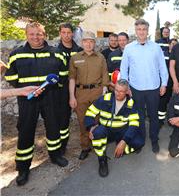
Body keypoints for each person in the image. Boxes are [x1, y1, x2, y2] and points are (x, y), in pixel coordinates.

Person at [4, 22, 69, 186]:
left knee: (54, 127)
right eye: (32, 34)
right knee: (26, 130)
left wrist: (52, 87)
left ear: (44, 34)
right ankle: (23, 167)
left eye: (39, 34)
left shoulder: (57, 53)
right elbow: (11, 78)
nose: (36, 37)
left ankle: (55, 155)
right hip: (28, 99)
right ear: (26, 35)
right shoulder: (16, 54)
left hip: (51, 97)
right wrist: (25, 89)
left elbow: (63, 76)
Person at [120, 19, 168, 153]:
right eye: (139, 29)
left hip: (153, 87)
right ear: (136, 31)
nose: (141, 32)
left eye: (144, 29)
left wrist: (164, 84)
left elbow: (162, 67)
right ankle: (139, 141)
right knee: (138, 116)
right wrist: (126, 87)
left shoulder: (156, 47)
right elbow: (124, 69)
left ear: (147, 31)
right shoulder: (129, 48)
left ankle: (154, 140)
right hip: (136, 88)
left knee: (153, 116)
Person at [84, 79, 145, 177]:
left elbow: (134, 124)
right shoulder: (105, 99)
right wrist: (91, 126)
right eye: (116, 90)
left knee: (139, 142)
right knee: (97, 132)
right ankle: (102, 160)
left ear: (126, 92)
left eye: (121, 91)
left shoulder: (131, 103)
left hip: (122, 130)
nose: (117, 93)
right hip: (107, 129)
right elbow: (90, 112)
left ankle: (122, 149)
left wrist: (124, 142)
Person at [69, 31, 109, 160]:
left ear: (94, 43)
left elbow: (105, 76)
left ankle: (98, 145)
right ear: (82, 43)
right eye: (86, 41)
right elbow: (72, 79)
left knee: (97, 120)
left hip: (97, 92)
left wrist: (104, 93)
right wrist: (72, 96)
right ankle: (85, 147)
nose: (88, 44)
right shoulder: (75, 58)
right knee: (82, 121)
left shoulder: (100, 57)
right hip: (81, 94)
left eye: (91, 41)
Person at [57, 23, 83, 155]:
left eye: (69, 32)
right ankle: (62, 146)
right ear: (60, 33)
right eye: (64, 32)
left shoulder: (79, 50)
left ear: (72, 33)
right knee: (63, 119)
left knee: (84, 117)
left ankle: (86, 143)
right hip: (61, 91)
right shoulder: (55, 51)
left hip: (79, 89)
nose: (66, 35)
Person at [158, 38, 178, 123]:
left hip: (171, 81)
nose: (173, 45)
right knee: (161, 99)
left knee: (167, 100)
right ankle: (159, 119)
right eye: (172, 43)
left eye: (175, 44)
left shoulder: (178, 56)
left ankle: (163, 117)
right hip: (162, 80)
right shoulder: (163, 54)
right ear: (169, 44)